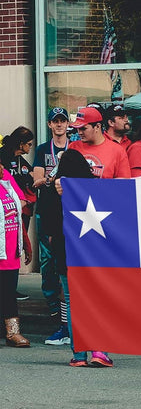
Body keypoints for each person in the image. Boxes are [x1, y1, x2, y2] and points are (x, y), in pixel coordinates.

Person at [45, 149, 113, 367]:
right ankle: (99, 351)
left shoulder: (53, 191)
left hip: (65, 253)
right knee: (97, 301)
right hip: (93, 253)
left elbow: (48, 230)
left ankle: (79, 355)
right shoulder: (95, 188)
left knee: (73, 302)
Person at [33, 107, 70, 339]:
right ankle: (54, 310)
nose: (59, 125)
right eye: (55, 121)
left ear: (68, 124)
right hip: (46, 211)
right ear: (49, 125)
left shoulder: (74, 148)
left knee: (65, 262)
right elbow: (37, 180)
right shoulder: (42, 150)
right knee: (47, 262)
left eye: (62, 121)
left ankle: (66, 316)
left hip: (67, 211)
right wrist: (50, 178)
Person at [0, 126, 36, 301]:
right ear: (21, 144)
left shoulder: (20, 160)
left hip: (20, 210)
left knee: (17, 247)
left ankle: (12, 288)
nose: (30, 147)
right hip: (4, 213)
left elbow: (31, 174)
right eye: (29, 144)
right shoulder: (3, 156)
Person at [0, 163, 31, 347]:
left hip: (10, 249)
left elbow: (21, 205)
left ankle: (13, 333)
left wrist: (26, 243)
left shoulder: (6, 179)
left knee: (9, 292)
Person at [68, 107, 131, 179]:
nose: (79, 132)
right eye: (78, 129)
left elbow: (124, 182)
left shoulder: (117, 151)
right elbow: (62, 176)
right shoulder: (73, 147)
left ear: (97, 126)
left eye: (83, 128)